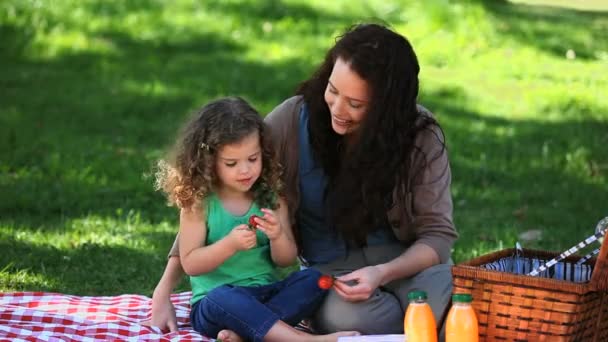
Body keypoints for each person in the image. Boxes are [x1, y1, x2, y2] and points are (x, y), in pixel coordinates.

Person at [149, 23, 458, 336]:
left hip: (407, 264)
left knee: (454, 300)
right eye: (333, 91)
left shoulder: (421, 137)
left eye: (355, 104)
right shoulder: (292, 120)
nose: (337, 108)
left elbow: (438, 235)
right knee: (354, 320)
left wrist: (383, 272)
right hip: (334, 274)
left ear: (386, 110)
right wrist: (163, 291)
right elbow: (214, 197)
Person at [152, 96, 358, 342]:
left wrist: (277, 235)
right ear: (209, 162)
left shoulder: (270, 199)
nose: (245, 170)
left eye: (253, 159)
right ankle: (300, 339)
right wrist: (230, 245)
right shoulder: (199, 204)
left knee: (314, 279)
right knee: (222, 298)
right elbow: (191, 264)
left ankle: (246, 334)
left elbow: (285, 259)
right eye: (232, 163)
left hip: (266, 294)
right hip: (216, 305)